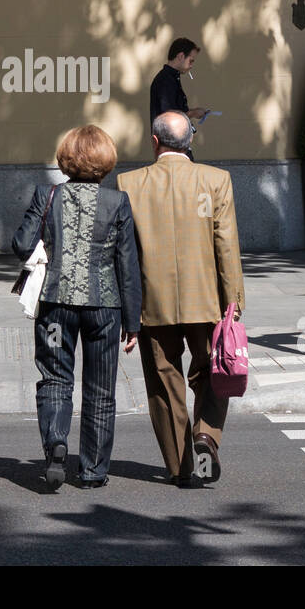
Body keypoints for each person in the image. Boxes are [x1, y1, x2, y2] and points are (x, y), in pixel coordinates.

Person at [116, 111, 244, 487]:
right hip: (205, 299)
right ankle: (206, 435)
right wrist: (233, 303)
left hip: (151, 302)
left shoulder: (129, 183)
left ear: (155, 142)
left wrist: (128, 311)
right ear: (191, 140)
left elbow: (126, 254)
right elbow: (226, 246)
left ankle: (180, 467)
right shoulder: (216, 180)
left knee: (163, 381)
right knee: (214, 374)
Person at [11, 125, 142, 491]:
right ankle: (93, 471)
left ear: (66, 159)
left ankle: (55, 441)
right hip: (104, 307)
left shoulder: (47, 194)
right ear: (107, 162)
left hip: (56, 304)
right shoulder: (118, 203)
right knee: (101, 389)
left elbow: (21, 244)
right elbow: (127, 266)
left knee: (54, 377)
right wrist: (134, 322)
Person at [148, 38, 210, 161]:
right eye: (191, 61)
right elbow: (169, 118)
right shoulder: (166, 81)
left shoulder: (170, 78)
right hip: (171, 148)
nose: (191, 65)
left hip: (174, 147)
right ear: (181, 56)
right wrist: (192, 113)